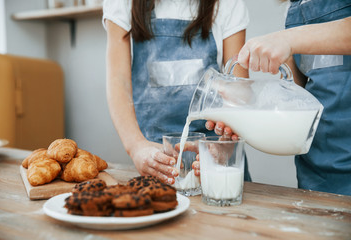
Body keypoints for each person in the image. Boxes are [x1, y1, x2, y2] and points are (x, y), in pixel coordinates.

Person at [207, 0, 351, 195]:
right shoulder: (294, 8)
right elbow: (297, 91)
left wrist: (288, 39)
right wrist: (246, 118)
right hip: (316, 169)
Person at [103, 0, 252, 184]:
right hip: (155, 162)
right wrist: (136, 146)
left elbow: (238, 91)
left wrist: (226, 146)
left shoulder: (228, 4)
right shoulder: (123, 4)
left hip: (217, 168)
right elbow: (119, 81)